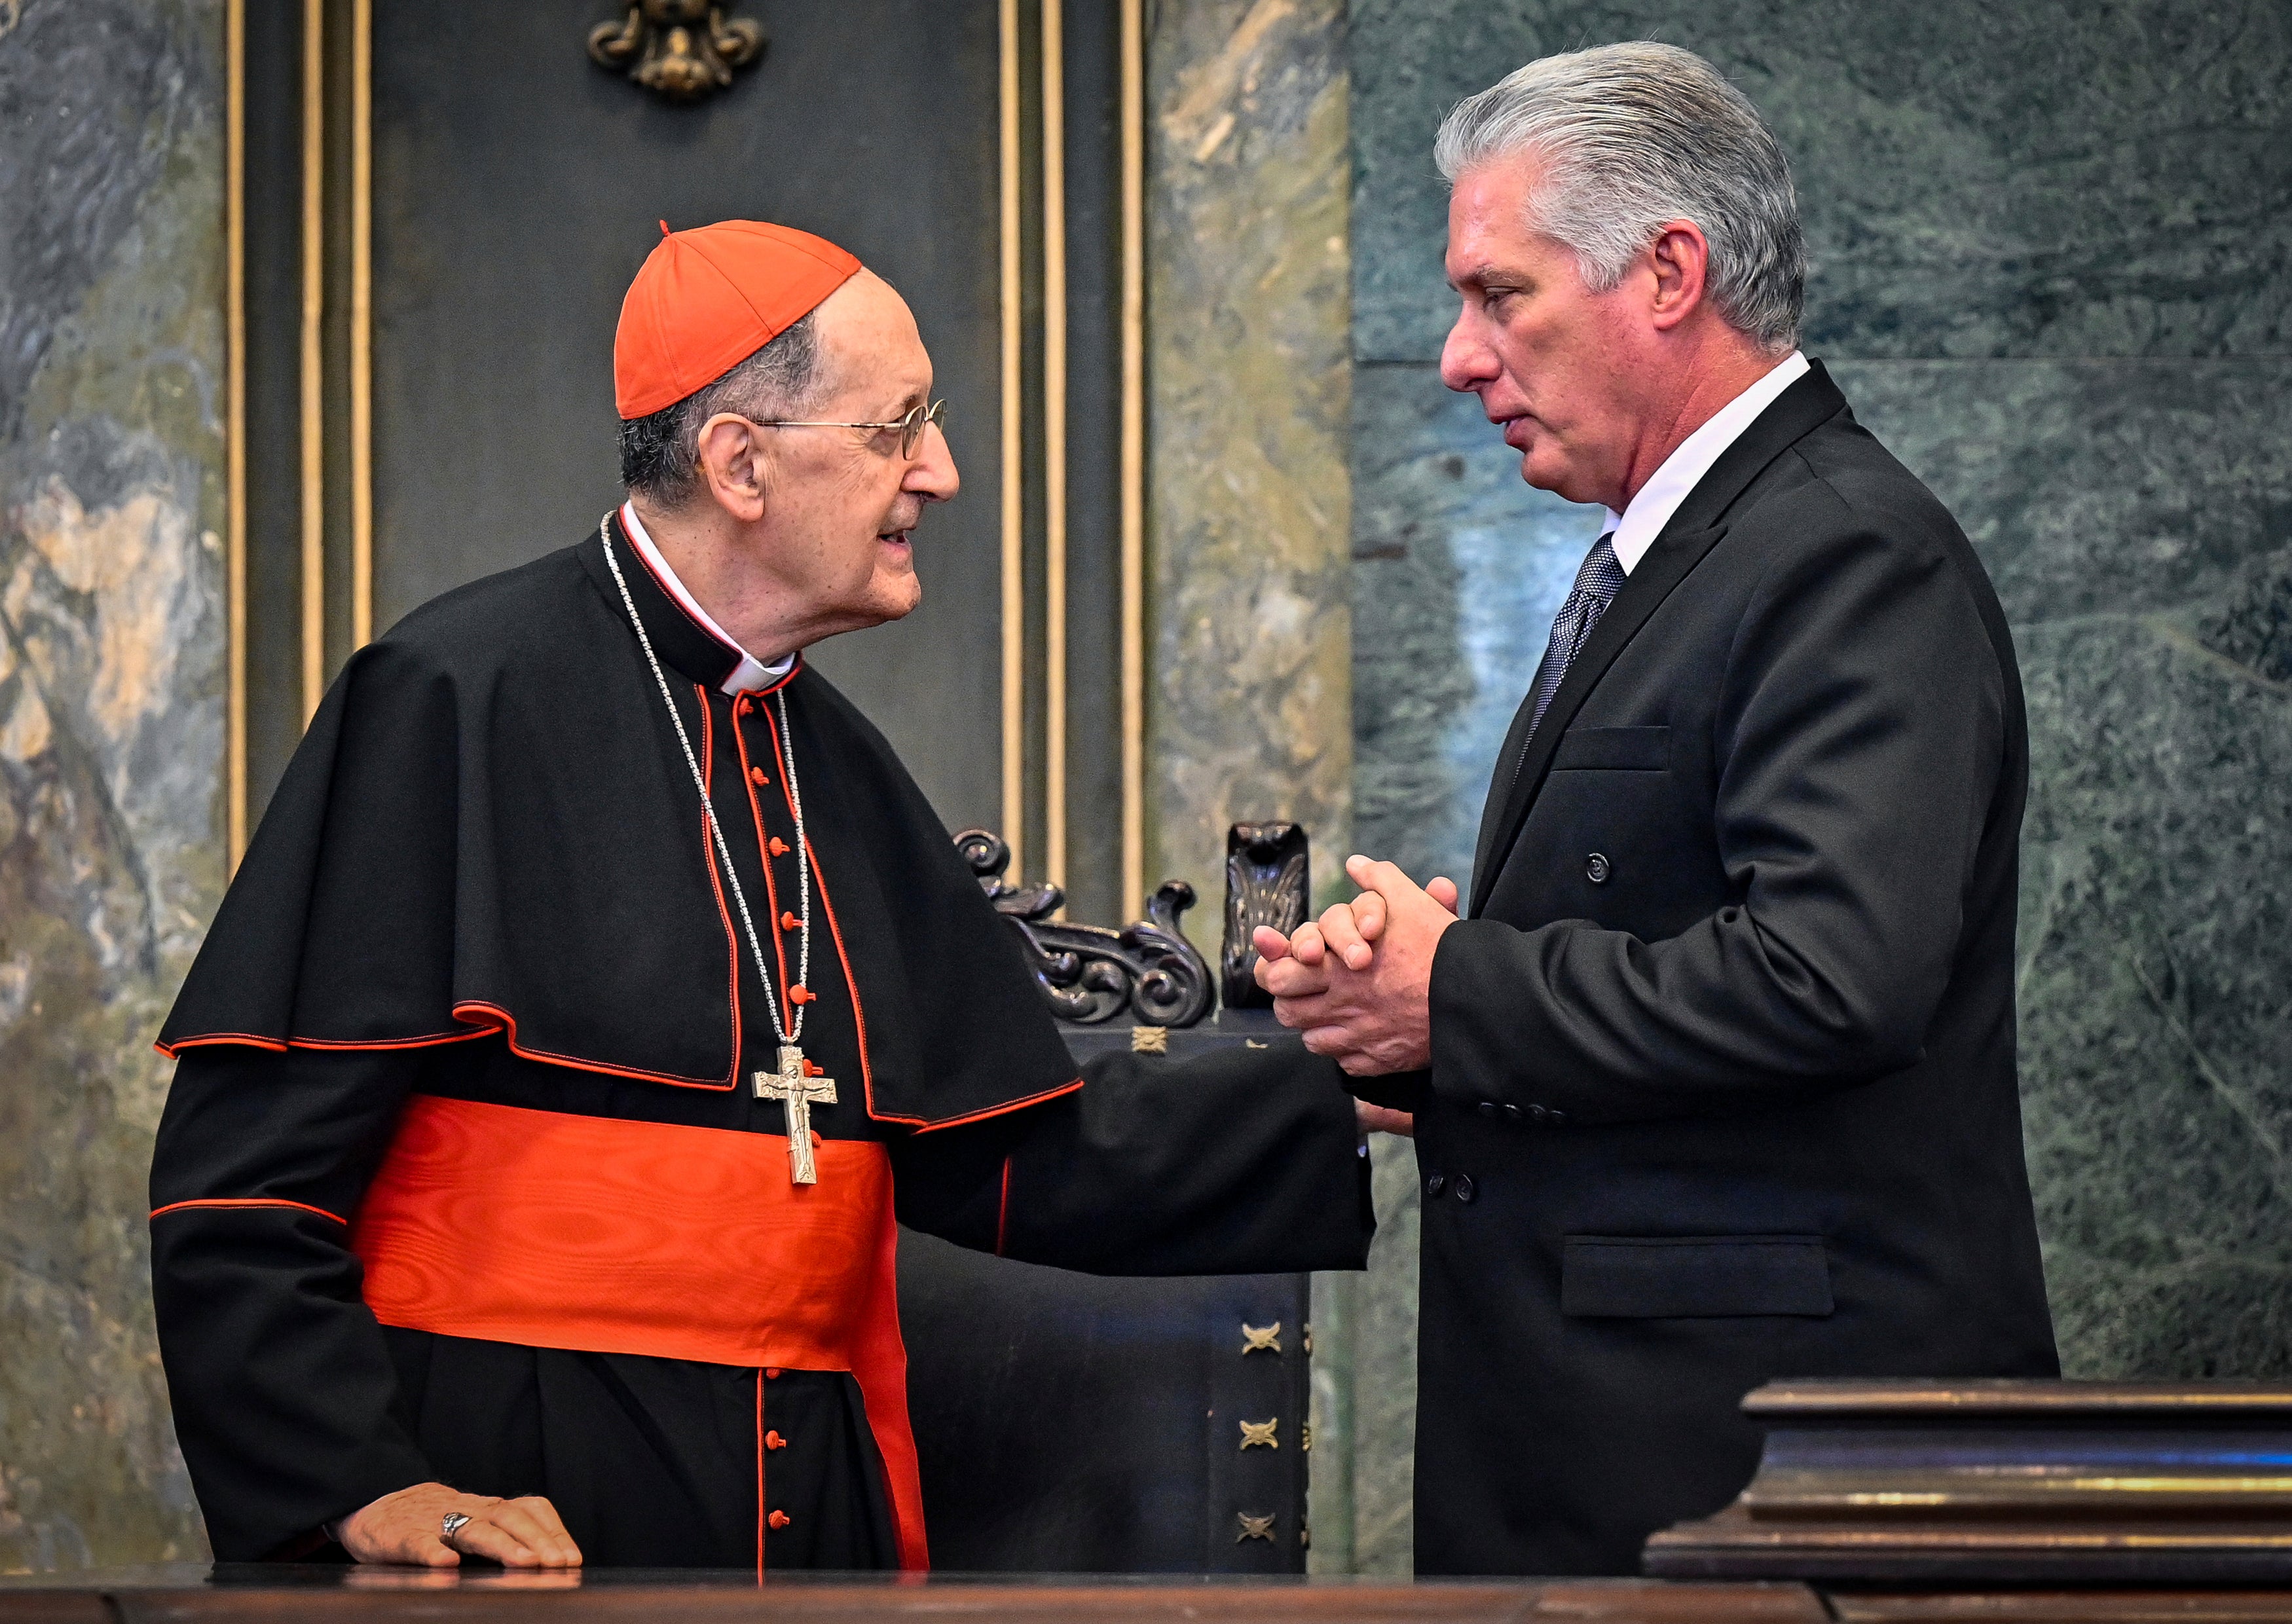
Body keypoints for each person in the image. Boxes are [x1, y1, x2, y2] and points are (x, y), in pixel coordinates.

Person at [149, 220, 1371, 1574]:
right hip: (512, 1496)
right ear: (740, 461)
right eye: (898, 425)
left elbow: (1001, 1147)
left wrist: (1349, 1074)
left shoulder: (831, 759)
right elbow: (240, 1187)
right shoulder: (451, 696)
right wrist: (366, 1485)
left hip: (811, 1502)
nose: (943, 472)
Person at [1255, 43, 2058, 1577]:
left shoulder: (1840, 555)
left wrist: (1461, 987)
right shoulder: (1691, 543)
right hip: (1642, 1452)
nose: (1456, 357)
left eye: (1499, 296)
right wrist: (1413, 1035)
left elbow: (1830, 975)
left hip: (1764, 1476)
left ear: (1668, 272)